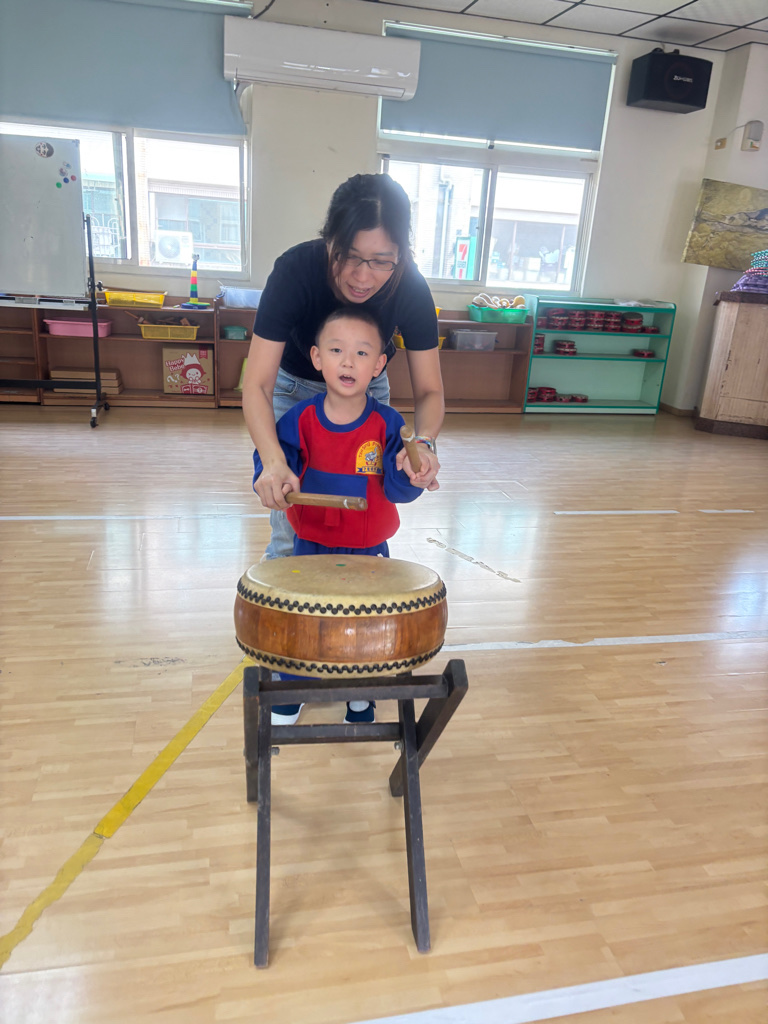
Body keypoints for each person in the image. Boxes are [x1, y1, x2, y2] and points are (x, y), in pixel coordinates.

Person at [243, 173, 443, 563]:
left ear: (401, 254)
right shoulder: (296, 270)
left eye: (382, 261)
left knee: (362, 519)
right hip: (294, 388)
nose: (363, 276)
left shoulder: (409, 286)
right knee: (290, 524)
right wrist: (273, 461)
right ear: (328, 240)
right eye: (349, 256)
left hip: (367, 394)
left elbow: (429, 390)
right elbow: (258, 385)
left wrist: (423, 443)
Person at [252, 307, 423, 726]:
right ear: (316, 358)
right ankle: (294, 687)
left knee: (364, 624)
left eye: (362, 353)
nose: (348, 362)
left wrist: (412, 475)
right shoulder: (300, 418)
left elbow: (398, 491)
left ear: (378, 365)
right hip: (310, 545)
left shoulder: (388, 423)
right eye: (336, 350)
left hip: (368, 550)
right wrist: (271, 478)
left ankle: (359, 693)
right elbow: (275, 462)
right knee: (304, 618)